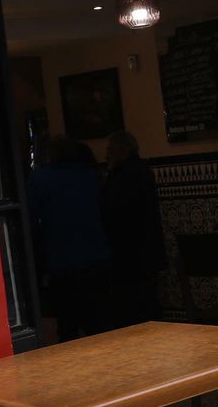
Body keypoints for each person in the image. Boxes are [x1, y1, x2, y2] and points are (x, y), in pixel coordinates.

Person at [26, 138, 114, 342]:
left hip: (61, 261)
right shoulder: (92, 176)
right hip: (97, 258)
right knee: (99, 324)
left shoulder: (40, 178)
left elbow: (30, 220)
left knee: (67, 325)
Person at [103, 130, 167, 326]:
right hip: (146, 250)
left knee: (132, 305)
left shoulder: (122, 176)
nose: (106, 154)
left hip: (131, 252)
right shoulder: (141, 171)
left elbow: (115, 212)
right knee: (146, 301)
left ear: (120, 151)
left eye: (110, 149)